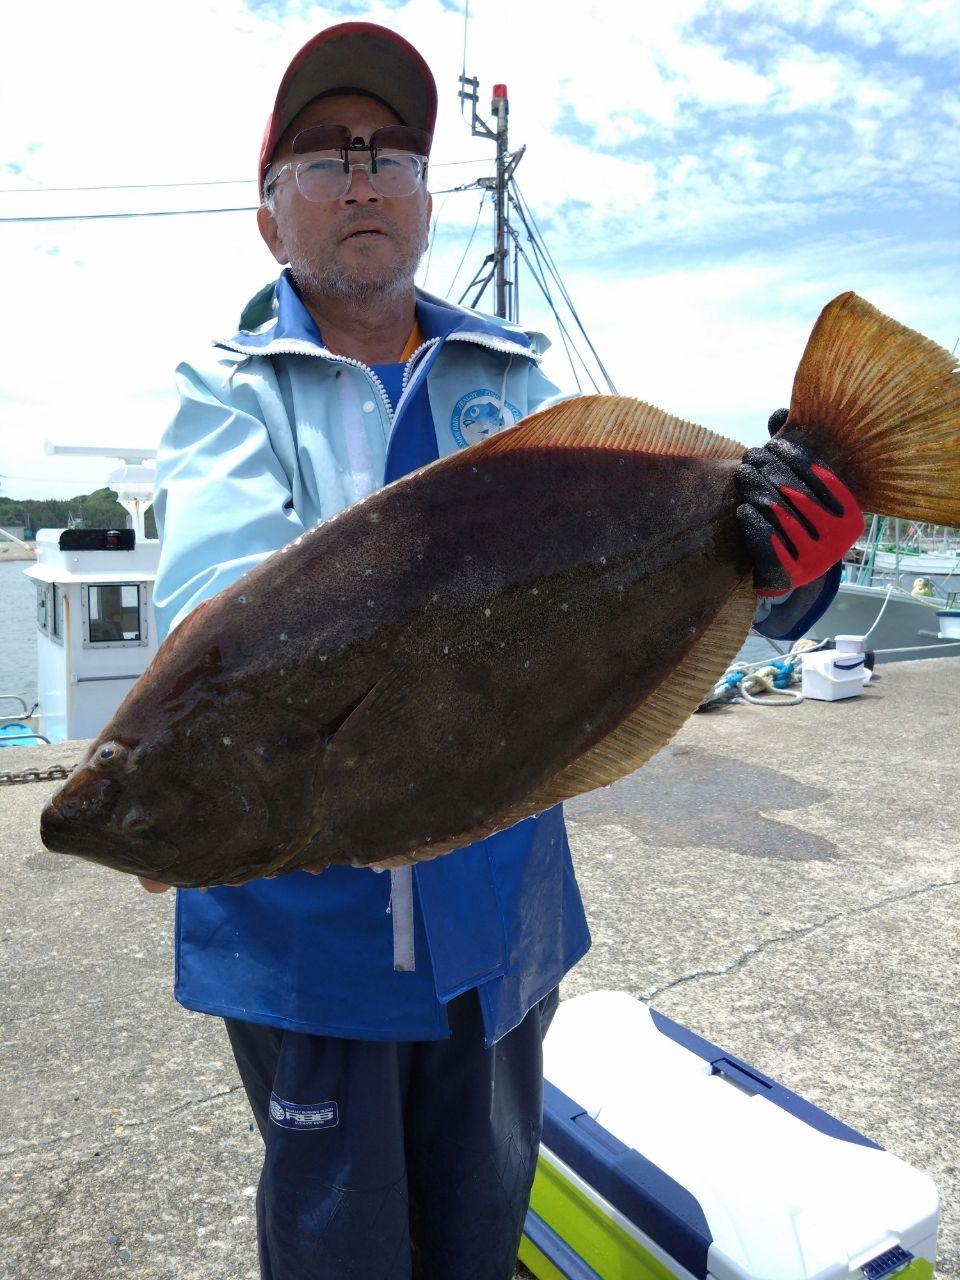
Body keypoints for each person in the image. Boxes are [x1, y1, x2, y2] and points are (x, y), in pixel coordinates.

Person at [140, 22, 860, 1280]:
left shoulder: (518, 384)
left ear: (425, 199)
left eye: (390, 153)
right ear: (270, 219)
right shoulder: (228, 389)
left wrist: (788, 558)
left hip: (502, 931)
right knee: (340, 1253)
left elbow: (655, 589)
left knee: (479, 1240)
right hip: (310, 950)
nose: (362, 175)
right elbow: (213, 607)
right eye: (321, 155)